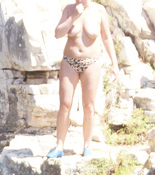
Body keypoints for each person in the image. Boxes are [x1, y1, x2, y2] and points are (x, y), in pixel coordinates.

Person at [47, 0, 120, 159]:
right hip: (69, 62)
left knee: (89, 106)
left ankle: (87, 145)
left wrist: (114, 63)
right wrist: (73, 16)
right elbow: (58, 33)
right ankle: (59, 146)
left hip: (91, 63)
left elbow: (106, 38)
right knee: (65, 104)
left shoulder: (99, 10)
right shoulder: (69, 9)